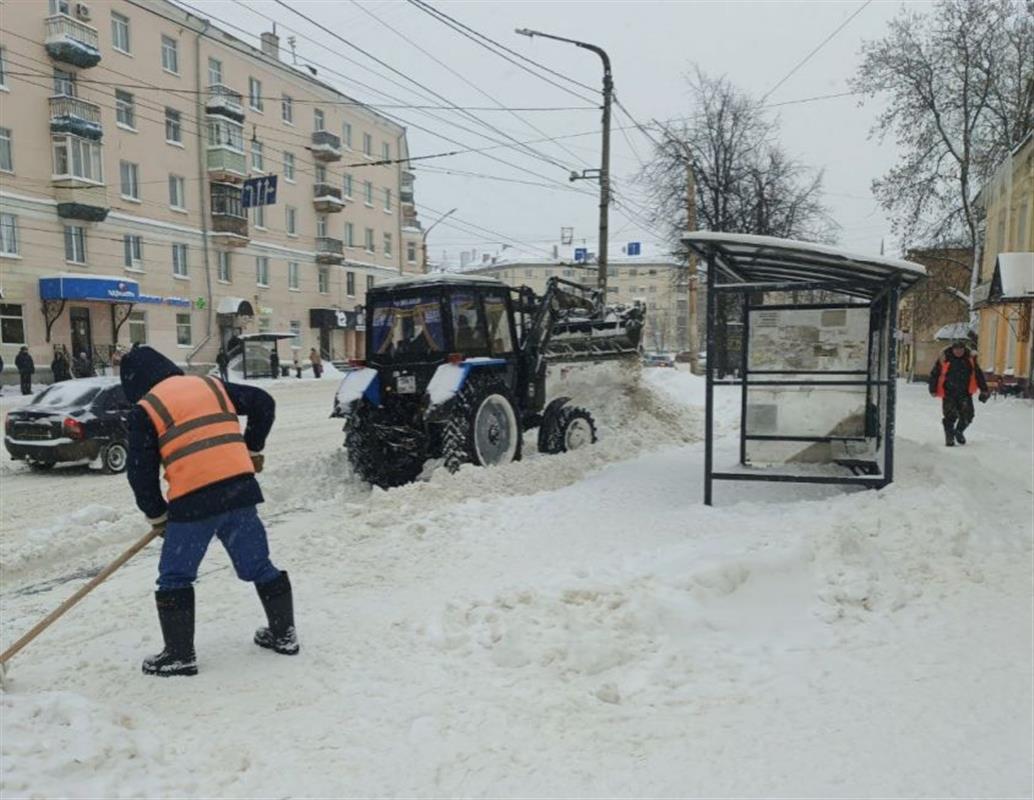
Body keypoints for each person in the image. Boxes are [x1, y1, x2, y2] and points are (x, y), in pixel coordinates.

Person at [120, 345, 298, 677]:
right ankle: (284, 634)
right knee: (259, 565)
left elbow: (140, 473)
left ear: (134, 384)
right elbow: (263, 402)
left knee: (175, 576)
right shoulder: (211, 385)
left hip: (193, 504)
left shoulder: (146, 408)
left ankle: (179, 655)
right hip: (239, 492)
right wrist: (252, 448)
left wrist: (157, 515)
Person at [929, 339, 989, 446]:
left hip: (965, 393)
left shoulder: (969, 359)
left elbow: (978, 374)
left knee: (968, 415)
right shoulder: (944, 358)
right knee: (950, 416)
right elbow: (935, 374)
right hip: (949, 393)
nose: (958, 352)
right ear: (952, 349)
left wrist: (984, 389)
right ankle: (949, 437)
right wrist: (932, 389)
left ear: (964, 349)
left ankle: (959, 431)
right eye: (956, 349)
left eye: (960, 349)